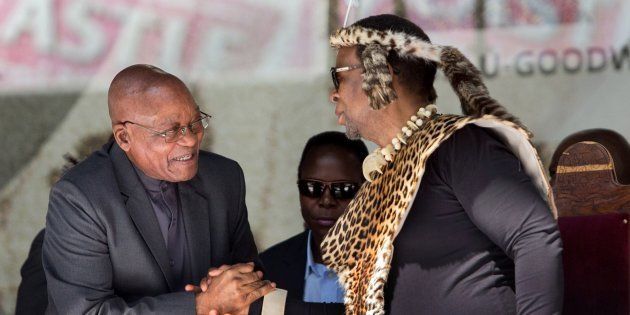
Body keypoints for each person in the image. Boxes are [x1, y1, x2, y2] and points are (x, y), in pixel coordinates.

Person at [321, 14, 563, 314]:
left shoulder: (458, 146)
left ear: (381, 73)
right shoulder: (383, 177)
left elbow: (533, 235)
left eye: (339, 76)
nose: (334, 93)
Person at [42, 64, 275, 314]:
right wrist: (200, 305)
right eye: (171, 131)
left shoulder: (224, 178)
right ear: (124, 138)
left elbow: (252, 276)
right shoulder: (80, 198)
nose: (191, 139)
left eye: (196, 122)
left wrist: (227, 284)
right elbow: (86, 312)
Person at [260, 131, 367, 303]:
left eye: (343, 189)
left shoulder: (394, 266)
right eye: (312, 187)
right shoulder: (268, 267)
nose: (326, 201)